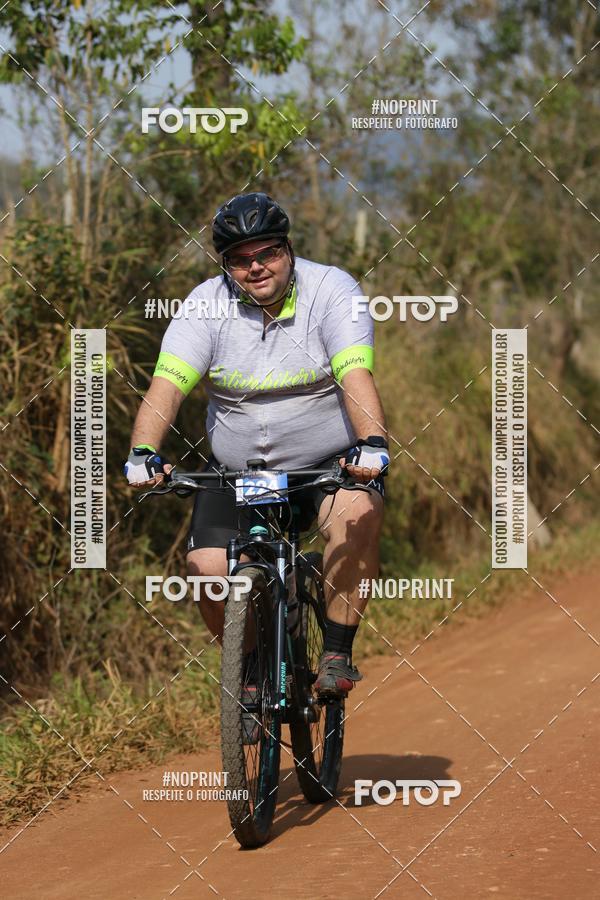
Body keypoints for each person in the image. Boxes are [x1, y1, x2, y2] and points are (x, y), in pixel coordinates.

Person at [125, 192, 389, 699]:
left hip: (326, 466)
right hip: (237, 469)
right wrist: (144, 451)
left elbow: (356, 375)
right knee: (205, 570)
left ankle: (336, 651)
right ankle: (247, 673)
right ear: (226, 266)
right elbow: (166, 390)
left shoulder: (333, 290)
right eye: (240, 260)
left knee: (358, 514)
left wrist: (371, 442)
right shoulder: (205, 305)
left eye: (267, 253)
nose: (256, 267)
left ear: (288, 250)